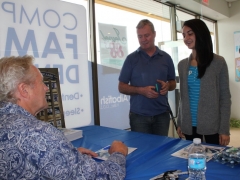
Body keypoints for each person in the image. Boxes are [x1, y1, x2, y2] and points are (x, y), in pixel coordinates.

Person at [0, 55, 128, 180]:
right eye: (41, 82)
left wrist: (65, 156)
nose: (46, 88)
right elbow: (101, 176)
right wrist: (118, 153)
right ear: (24, 90)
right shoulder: (38, 133)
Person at [177, 19, 231, 146]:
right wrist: (180, 122)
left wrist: (224, 129)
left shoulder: (218, 62)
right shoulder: (182, 65)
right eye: (184, 35)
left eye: (190, 33)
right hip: (189, 125)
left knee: (214, 162)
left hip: (212, 126)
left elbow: (225, 98)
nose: (186, 38)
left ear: (200, 34)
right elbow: (183, 98)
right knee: (193, 162)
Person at [118, 19, 176, 136]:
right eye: (140, 36)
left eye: (146, 35)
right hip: (139, 117)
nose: (143, 40)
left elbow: (173, 82)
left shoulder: (166, 58)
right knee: (142, 151)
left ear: (154, 34)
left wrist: (168, 85)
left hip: (162, 115)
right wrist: (141, 91)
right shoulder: (131, 59)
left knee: (161, 150)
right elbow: (121, 87)